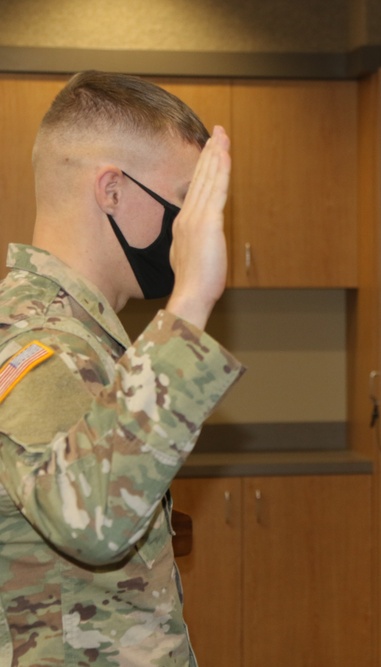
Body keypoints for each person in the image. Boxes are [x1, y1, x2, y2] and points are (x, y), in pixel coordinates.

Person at [0, 71, 244, 665]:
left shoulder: (81, 333)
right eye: (186, 199)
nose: (194, 225)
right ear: (111, 191)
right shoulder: (41, 342)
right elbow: (90, 524)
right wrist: (190, 300)